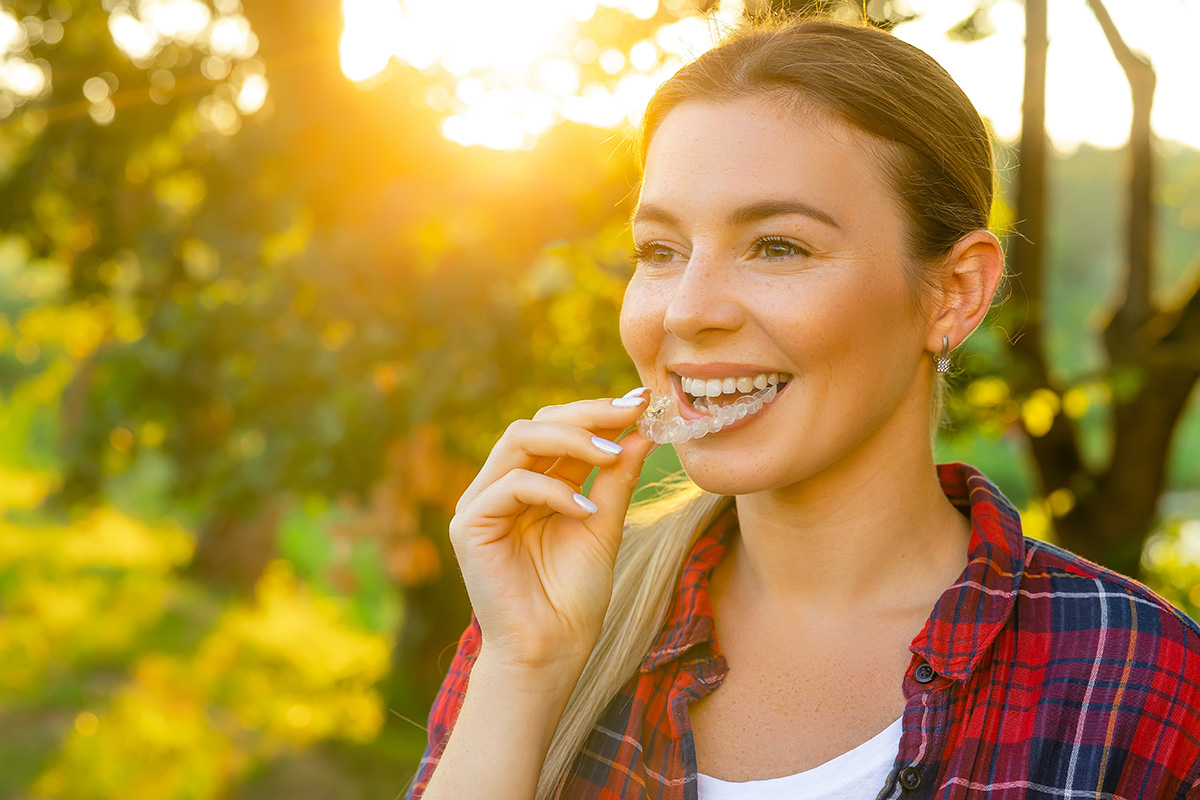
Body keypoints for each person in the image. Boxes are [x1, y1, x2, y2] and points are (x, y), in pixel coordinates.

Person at [406, 16, 1200, 800]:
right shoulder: (547, 626)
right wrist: (526, 666)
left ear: (953, 294)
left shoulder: (1139, 679)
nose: (686, 311)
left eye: (778, 246)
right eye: (660, 251)